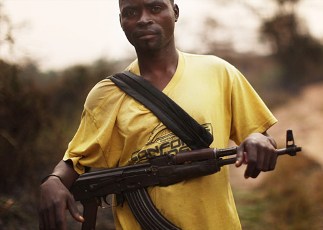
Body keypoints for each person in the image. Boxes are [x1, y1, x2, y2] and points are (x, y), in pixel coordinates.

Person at [39, 0, 278, 229]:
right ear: (121, 21)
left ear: (175, 12)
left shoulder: (219, 72)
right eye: (131, 12)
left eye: (155, 8)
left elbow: (260, 136)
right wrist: (54, 181)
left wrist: (259, 140)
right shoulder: (106, 95)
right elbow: (75, 160)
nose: (143, 19)